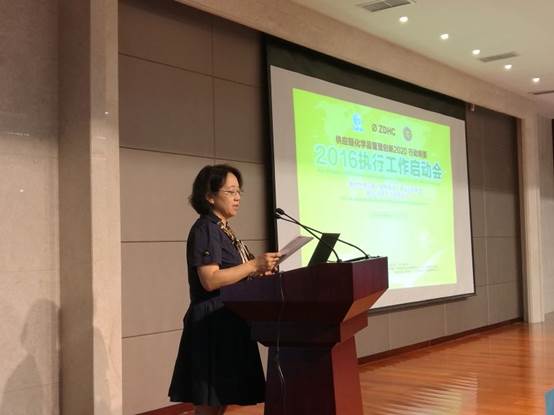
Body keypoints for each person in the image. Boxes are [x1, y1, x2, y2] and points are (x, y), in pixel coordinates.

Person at [169, 164, 280, 415]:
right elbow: (210, 280)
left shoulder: (223, 229)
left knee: (221, 402)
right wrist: (253, 265)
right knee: (210, 405)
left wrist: (257, 272)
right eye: (230, 191)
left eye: (239, 191)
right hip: (212, 325)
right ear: (210, 196)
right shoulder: (206, 228)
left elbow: (233, 274)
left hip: (229, 321)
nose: (237, 197)